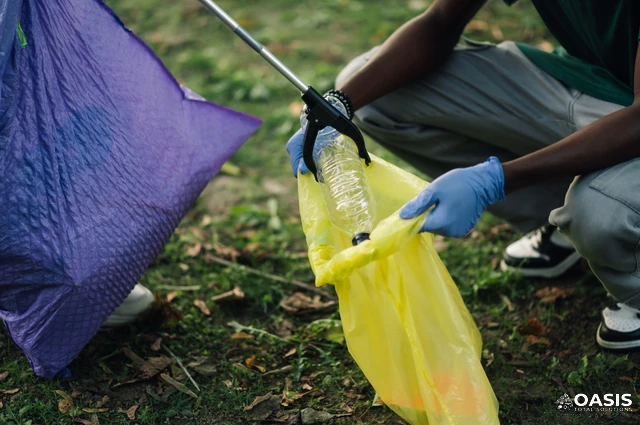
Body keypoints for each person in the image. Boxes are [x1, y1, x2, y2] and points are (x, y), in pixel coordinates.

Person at [286, 0, 640, 350]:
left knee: (600, 214)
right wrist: (339, 105)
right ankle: (565, 217)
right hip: (599, 83)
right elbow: (441, 20)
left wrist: (496, 180)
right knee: (375, 91)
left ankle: (624, 258)